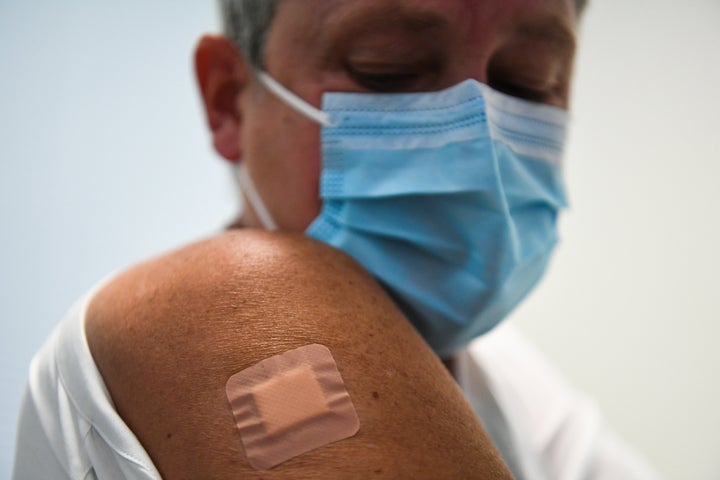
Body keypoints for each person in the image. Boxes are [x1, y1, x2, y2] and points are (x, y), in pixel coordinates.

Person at [13, 0, 660, 478]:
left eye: (529, 80)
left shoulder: (526, 393)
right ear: (228, 100)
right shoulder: (229, 298)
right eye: (387, 70)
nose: (478, 141)